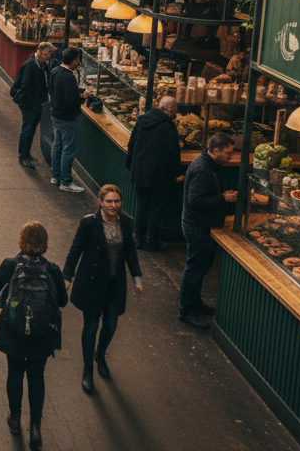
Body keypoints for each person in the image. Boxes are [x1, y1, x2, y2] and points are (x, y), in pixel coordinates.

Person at [0, 222, 67, 445]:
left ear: (21, 240)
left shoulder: (11, 264)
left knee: (14, 373)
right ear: (45, 243)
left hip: (13, 330)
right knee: (36, 376)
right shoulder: (52, 269)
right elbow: (63, 301)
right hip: (41, 334)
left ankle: (14, 417)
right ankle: (35, 427)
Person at [63, 185, 143, 394]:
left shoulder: (125, 223)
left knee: (111, 325)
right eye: (109, 201)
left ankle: (100, 354)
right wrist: (67, 276)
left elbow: (130, 252)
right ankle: (88, 368)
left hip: (114, 285)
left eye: (117, 201)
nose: (113, 205)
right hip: (91, 283)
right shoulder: (89, 223)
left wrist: (137, 277)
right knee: (90, 327)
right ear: (100, 201)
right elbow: (75, 250)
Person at [179, 133, 238, 329]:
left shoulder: (206, 164)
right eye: (228, 153)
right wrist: (223, 199)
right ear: (215, 151)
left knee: (201, 267)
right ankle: (186, 310)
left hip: (200, 225)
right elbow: (195, 201)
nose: (231, 156)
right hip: (197, 227)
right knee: (195, 269)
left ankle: (195, 303)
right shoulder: (202, 169)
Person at [127, 96, 182, 250]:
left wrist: (130, 165)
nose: (176, 113)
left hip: (140, 171)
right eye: (175, 111)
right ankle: (152, 240)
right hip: (159, 174)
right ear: (171, 111)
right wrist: (178, 173)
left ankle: (138, 238)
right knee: (155, 209)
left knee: (141, 206)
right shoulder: (168, 127)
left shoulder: (142, 120)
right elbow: (173, 152)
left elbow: (131, 144)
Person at [10, 42, 55, 169]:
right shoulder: (30, 65)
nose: (49, 56)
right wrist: (34, 104)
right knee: (27, 129)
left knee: (31, 129)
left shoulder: (42, 64)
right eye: (48, 53)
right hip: (29, 105)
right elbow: (25, 87)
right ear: (40, 53)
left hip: (36, 104)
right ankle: (22, 156)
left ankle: (26, 153)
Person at [49, 47, 88, 193]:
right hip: (67, 118)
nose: (78, 62)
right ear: (74, 59)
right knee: (68, 150)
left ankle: (55, 176)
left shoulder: (55, 71)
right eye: (78, 59)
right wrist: (82, 98)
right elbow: (71, 101)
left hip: (55, 114)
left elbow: (52, 90)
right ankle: (65, 181)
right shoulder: (69, 76)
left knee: (57, 145)